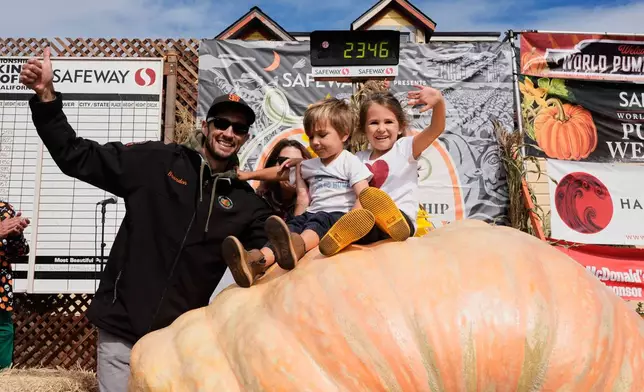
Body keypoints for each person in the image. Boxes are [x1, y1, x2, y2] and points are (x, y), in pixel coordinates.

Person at [19, 48, 274, 391]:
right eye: (222, 123)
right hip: (123, 328)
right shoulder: (158, 161)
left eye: (239, 128)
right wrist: (47, 98)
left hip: (179, 342)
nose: (229, 132)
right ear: (206, 126)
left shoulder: (245, 202)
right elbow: (77, 156)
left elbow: (275, 245)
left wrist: (301, 191)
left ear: (244, 136)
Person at [221, 97, 384, 288]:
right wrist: (249, 175)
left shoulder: (349, 161)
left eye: (322, 135)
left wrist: (352, 225)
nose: (315, 142)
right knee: (290, 226)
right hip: (311, 214)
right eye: (311, 136)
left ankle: (297, 246)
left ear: (344, 135)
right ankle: (256, 261)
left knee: (318, 222)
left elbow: (363, 194)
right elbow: (279, 173)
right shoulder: (309, 165)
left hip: (337, 218)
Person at [319, 85, 446, 256]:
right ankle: (342, 234)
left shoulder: (405, 148)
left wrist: (438, 103)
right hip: (368, 223)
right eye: (373, 123)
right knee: (363, 222)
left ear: (401, 127)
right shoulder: (358, 158)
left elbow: (435, 129)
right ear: (364, 129)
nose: (381, 128)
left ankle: (389, 220)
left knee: (382, 218)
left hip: (401, 218)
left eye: (388, 122)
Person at [0, 201, 29, 369]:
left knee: (4, 332)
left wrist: (16, 235)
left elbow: (19, 252)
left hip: (1, 287)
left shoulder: (4, 209)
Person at [255, 139, 312, 221]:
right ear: (273, 166)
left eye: (298, 163)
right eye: (284, 161)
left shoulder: (316, 201)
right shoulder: (260, 201)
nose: (291, 168)